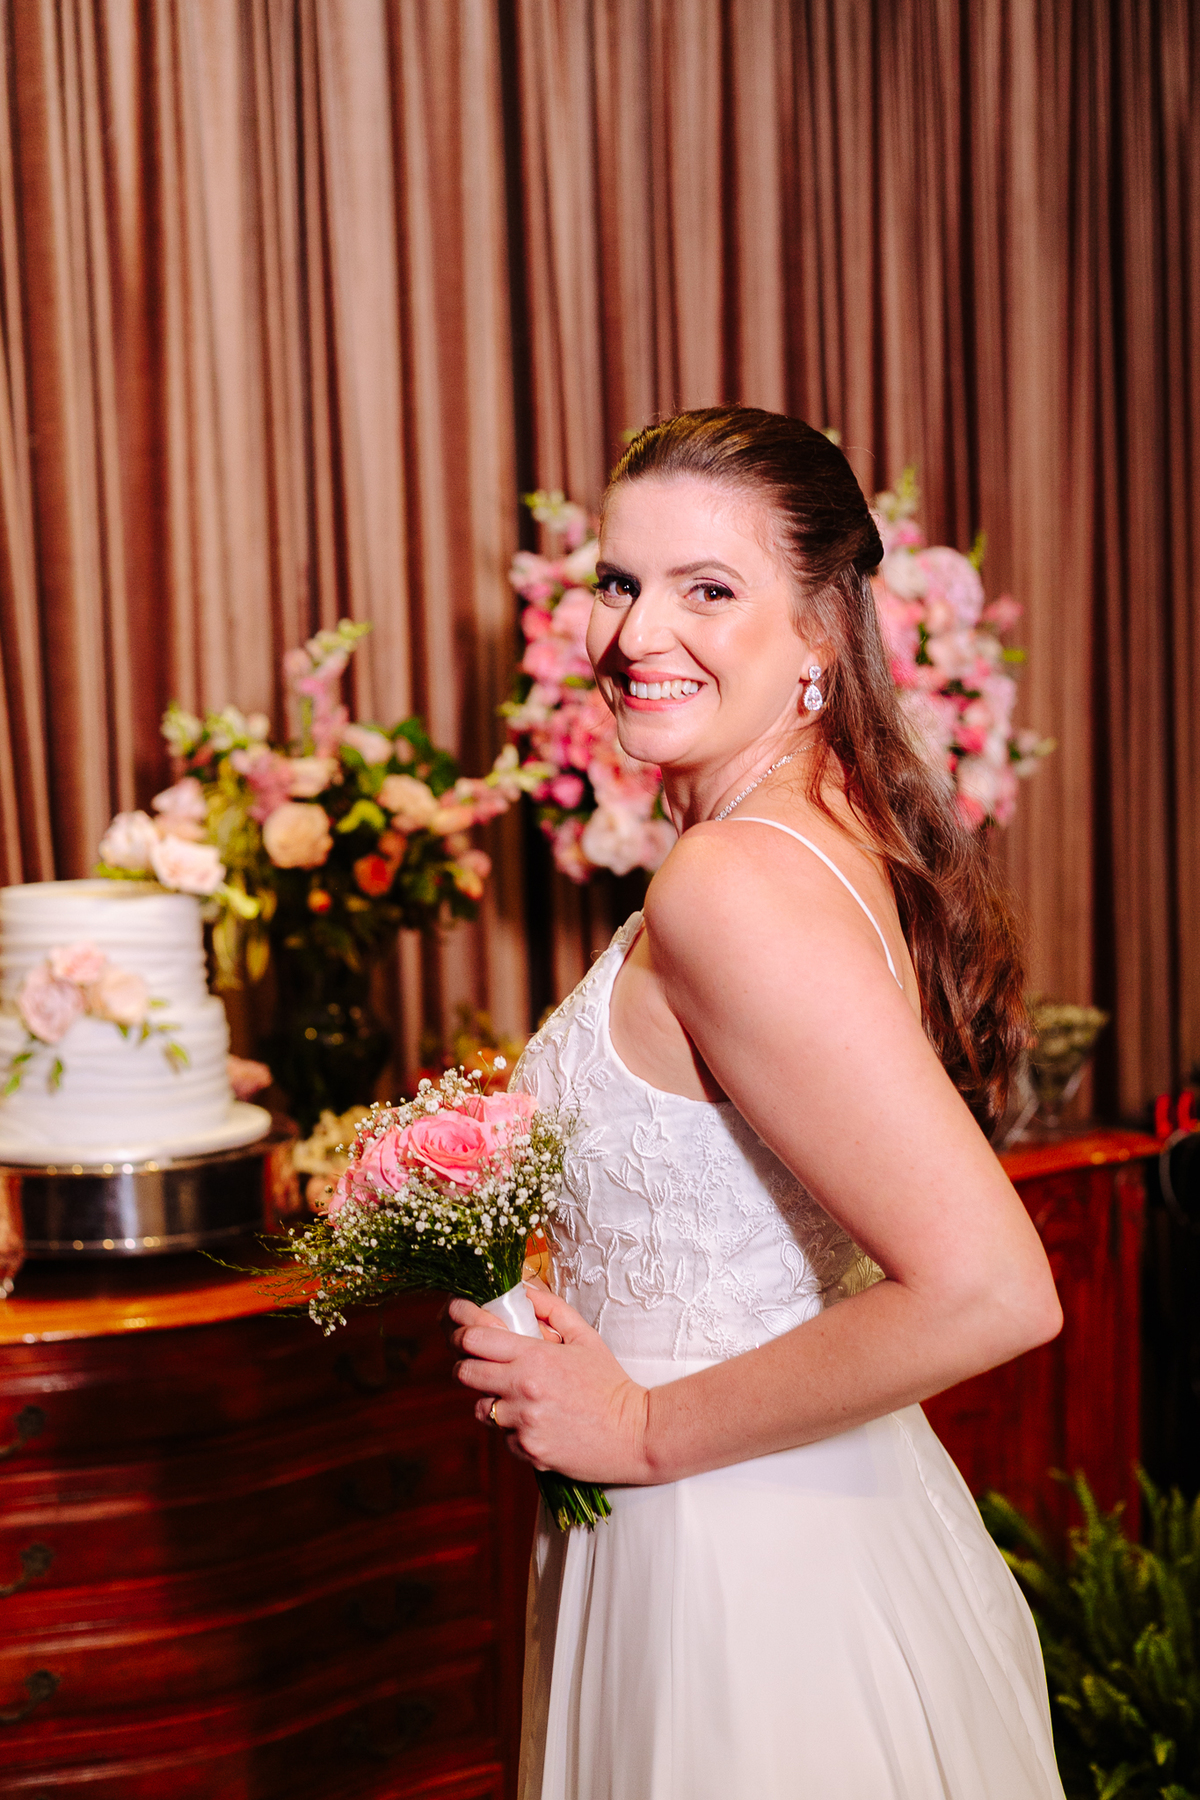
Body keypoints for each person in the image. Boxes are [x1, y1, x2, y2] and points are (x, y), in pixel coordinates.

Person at [449, 408, 1066, 1799]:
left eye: (707, 590)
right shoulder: (822, 825)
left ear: (823, 634)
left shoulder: (728, 883)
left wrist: (642, 1428)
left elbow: (993, 1291)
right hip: (805, 1518)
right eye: (621, 582)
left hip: (738, 1569)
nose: (632, 634)